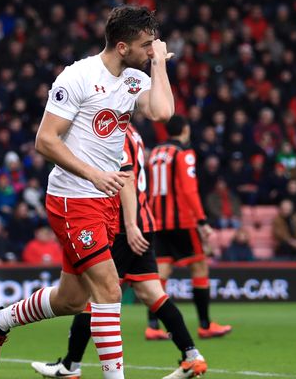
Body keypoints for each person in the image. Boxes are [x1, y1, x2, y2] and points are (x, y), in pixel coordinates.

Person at [0, 5, 174, 379]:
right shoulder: (78, 77)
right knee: (108, 290)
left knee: (71, 299)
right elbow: (45, 141)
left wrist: (159, 64)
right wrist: (94, 174)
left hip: (103, 202)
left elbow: (163, 113)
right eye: (146, 45)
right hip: (72, 198)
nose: (152, 49)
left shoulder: (134, 79)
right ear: (121, 46)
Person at [31, 126, 207, 379]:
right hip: (143, 222)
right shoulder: (133, 132)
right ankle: (192, 357)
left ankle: (70, 366)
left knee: (97, 296)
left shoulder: (115, 132)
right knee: (152, 292)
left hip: (124, 227)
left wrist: (130, 225)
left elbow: (126, 178)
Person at [148, 115, 232, 338]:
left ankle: (152, 326)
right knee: (199, 267)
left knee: (162, 270)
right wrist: (202, 221)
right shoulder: (184, 153)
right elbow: (188, 189)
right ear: (185, 130)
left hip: (158, 219)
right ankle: (205, 325)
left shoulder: (156, 153)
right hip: (181, 220)